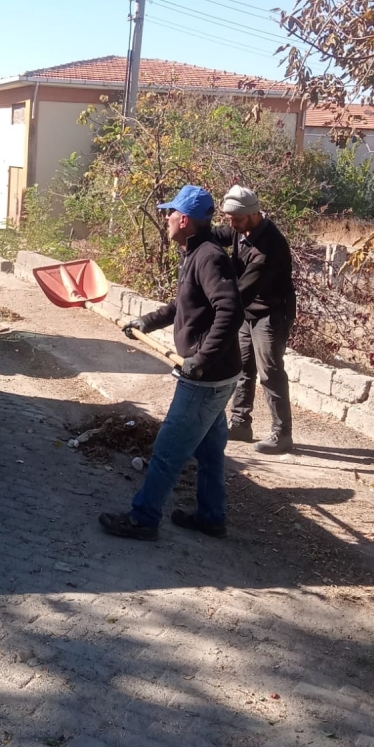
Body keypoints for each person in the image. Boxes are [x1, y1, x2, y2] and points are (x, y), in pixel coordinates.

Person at [99, 184, 243, 541]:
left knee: (167, 452)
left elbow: (230, 310)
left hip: (206, 378)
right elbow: (184, 306)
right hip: (217, 374)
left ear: (185, 219)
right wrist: (146, 322)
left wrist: (201, 359)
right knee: (210, 451)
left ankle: (143, 519)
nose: (165, 219)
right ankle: (211, 517)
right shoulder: (194, 253)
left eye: (169, 213)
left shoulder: (208, 257)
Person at [214, 185, 296, 454]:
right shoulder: (242, 230)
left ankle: (282, 434)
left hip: (271, 314)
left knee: (269, 371)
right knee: (242, 368)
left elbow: (243, 291)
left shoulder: (268, 247)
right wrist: (193, 231)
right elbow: (217, 234)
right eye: (228, 218)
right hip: (249, 312)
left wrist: (213, 306)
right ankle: (240, 424)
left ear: (251, 215)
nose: (231, 223)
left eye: (235, 218)